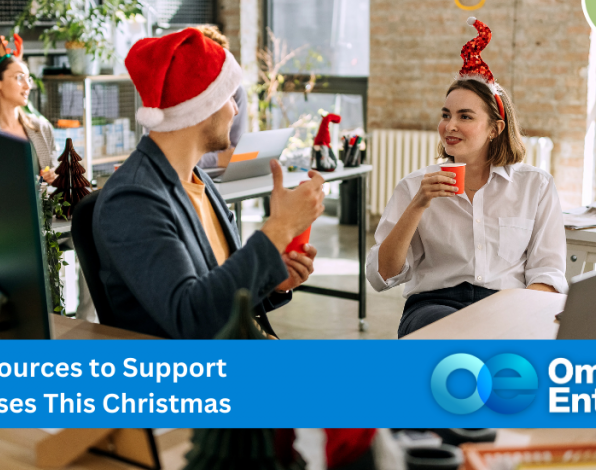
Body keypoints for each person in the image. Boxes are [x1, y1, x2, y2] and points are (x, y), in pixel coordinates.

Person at [93, 28, 325, 339]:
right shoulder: (133, 200)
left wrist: (271, 282)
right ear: (203, 105)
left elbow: (217, 290)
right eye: (229, 96)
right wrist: (279, 228)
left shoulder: (197, 180)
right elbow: (192, 319)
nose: (235, 108)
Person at [366, 17, 567, 338]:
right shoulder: (414, 186)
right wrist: (419, 204)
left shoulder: (535, 185)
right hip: (434, 304)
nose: (450, 126)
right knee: (448, 337)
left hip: (508, 302)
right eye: (446, 115)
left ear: (495, 129)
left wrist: (526, 314)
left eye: (465, 116)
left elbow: (548, 269)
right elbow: (382, 275)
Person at [0, 34, 58, 183]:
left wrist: (56, 176)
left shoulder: (42, 128)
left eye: (28, 79)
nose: (28, 86)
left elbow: (57, 173)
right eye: (19, 77)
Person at [193, 25, 248, 171]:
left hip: (218, 172)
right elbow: (168, 156)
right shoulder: (174, 99)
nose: (234, 109)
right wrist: (217, 159)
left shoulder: (237, 91)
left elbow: (233, 151)